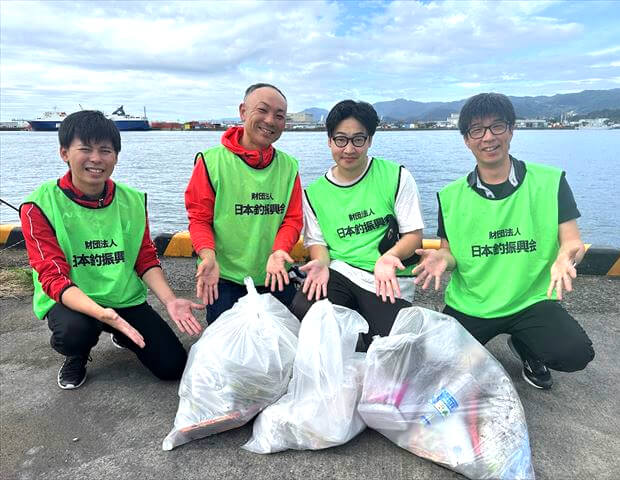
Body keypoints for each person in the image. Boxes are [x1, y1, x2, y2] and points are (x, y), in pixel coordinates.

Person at [413, 92, 594, 389]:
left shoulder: (549, 182)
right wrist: (441, 259)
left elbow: (571, 242)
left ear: (511, 130)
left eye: (497, 126)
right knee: (436, 369)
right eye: (477, 130)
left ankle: (527, 347)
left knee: (575, 353)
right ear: (466, 139)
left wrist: (566, 257)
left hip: (530, 301)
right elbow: (450, 251)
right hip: (473, 303)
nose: (488, 137)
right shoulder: (450, 196)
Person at [20, 110, 204, 390]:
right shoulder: (39, 205)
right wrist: (100, 314)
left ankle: (120, 331)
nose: (96, 158)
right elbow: (52, 277)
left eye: (105, 150)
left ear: (116, 157)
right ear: (64, 153)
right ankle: (77, 354)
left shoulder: (131, 200)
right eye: (85, 149)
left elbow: (144, 258)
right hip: (72, 300)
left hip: (122, 297)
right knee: (75, 332)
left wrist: (170, 301)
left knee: (172, 366)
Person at [301, 100, 424, 347]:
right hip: (342, 271)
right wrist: (322, 264)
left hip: (387, 277)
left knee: (391, 347)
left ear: (369, 140)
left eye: (358, 139)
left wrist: (389, 258)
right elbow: (317, 243)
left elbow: (413, 235)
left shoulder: (396, 176)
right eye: (340, 139)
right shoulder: (314, 194)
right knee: (312, 316)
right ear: (329, 140)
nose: (348, 149)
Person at [185, 83, 303, 322]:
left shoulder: (289, 166)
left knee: (289, 341)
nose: (270, 121)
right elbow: (199, 219)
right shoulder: (211, 162)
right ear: (242, 111)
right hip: (225, 276)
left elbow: (292, 219)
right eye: (262, 110)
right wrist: (207, 256)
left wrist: (280, 252)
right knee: (229, 346)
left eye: (279, 116)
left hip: (275, 272)